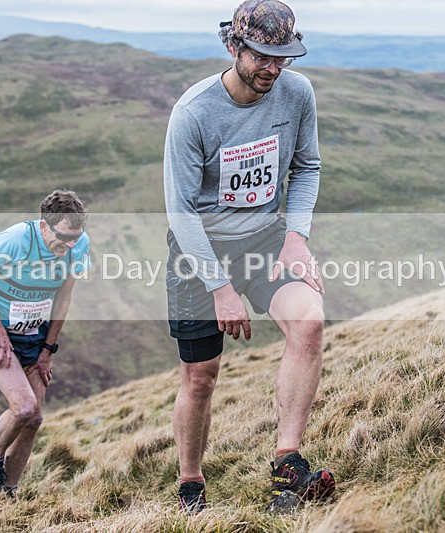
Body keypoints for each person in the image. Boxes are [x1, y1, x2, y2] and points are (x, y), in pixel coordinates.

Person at [164, 0, 334, 514]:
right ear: (235, 47)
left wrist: (297, 237)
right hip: (200, 249)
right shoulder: (193, 113)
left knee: (309, 323)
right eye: (262, 56)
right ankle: (190, 482)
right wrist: (220, 287)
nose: (273, 68)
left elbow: (307, 168)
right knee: (201, 375)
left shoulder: (297, 93)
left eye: (283, 57)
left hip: (267, 238)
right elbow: (181, 212)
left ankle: (287, 461)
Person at [0, 190, 90, 499]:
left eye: (76, 238)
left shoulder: (78, 245)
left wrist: (48, 350)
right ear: (45, 226)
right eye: (64, 237)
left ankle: (6, 494)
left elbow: (64, 297)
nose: (70, 245)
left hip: (34, 331)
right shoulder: (16, 240)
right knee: (25, 407)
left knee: (35, 419)